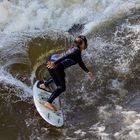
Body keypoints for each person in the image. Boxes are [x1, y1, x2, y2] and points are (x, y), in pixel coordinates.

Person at [38, 35, 94, 111]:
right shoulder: (76, 50)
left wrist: (88, 72)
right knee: (61, 87)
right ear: (82, 44)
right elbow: (66, 55)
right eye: (85, 42)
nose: (86, 44)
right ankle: (48, 102)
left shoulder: (75, 49)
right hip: (55, 65)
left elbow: (80, 62)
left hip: (51, 60)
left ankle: (44, 85)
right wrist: (55, 63)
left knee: (61, 75)